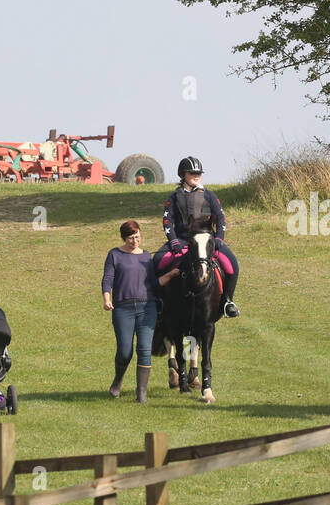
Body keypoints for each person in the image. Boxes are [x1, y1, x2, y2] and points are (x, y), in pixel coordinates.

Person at [103, 220, 178, 401]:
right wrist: (107, 299)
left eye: (137, 237)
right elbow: (107, 279)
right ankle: (118, 380)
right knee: (125, 350)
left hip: (147, 307)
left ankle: (141, 393)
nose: (135, 241)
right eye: (130, 238)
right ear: (123, 238)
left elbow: (153, 284)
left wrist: (171, 274)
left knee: (144, 349)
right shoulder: (114, 255)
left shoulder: (145, 256)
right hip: (123, 308)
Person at [159, 155, 242, 317]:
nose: (196, 175)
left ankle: (227, 301)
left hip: (207, 242)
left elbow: (221, 218)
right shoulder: (174, 198)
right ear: (183, 174)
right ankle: (158, 300)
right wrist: (174, 241)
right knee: (157, 263)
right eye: (192, 173)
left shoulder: (209, 195)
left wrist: (218, 238)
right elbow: (167, 221)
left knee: (233, 266)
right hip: (182, 241)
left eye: (199, 173)